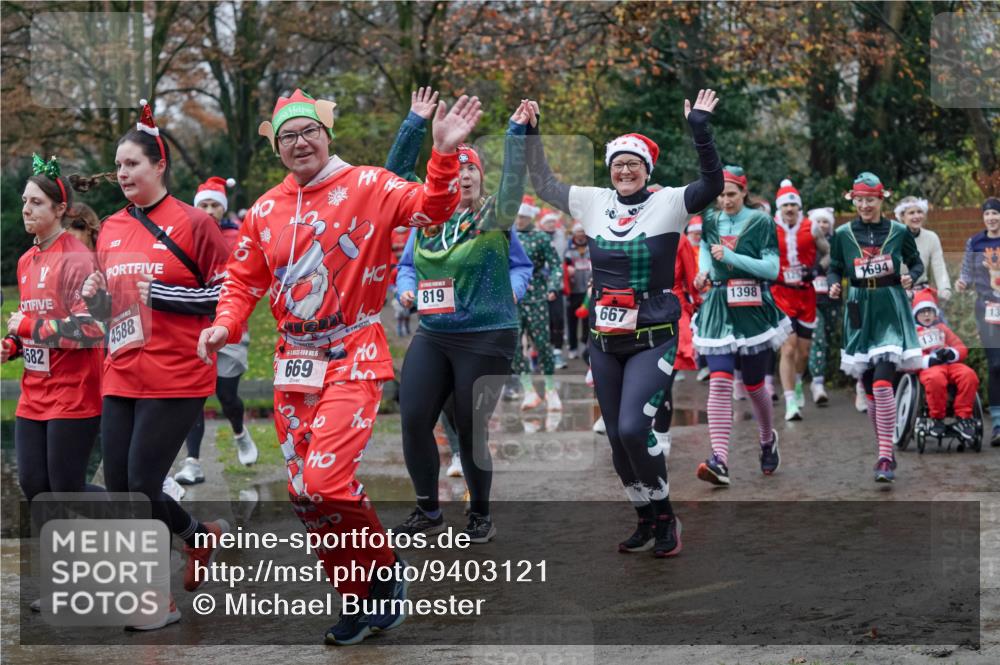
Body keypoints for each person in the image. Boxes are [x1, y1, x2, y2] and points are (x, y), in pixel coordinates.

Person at [198, 88, 481, 645]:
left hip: (353, 354)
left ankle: (384, 578)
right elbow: (241, 282)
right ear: (276, 147)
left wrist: (443, 154)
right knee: (305, 492)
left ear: (326, 135)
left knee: (327, 481)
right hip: (291, 366)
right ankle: (358, 598)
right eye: (287, 136)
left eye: (308, 132)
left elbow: (432, 207)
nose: (299, 143)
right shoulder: (263, 211)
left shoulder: (370, 185)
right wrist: (224, 326)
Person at [526, 89, 723, 557]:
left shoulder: (670, 203)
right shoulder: (594, 202)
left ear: (647, 170)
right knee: (616, 438)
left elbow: (712, 184)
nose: (625, 170)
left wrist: (699, 128)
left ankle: (667, 515)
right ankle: (645, 517)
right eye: (618, 163)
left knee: (635, 428)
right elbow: (544, 183)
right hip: (605, 338)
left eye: (634, 163)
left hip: (653, 335)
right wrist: (531, 133)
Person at [78, 101, 232, 629]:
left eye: (132, 164)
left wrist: (163, 293)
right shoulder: (111, 228)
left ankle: (157, 600)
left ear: (158, 165)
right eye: (118, 166)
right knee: (123, 486)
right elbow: (112, 306)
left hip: (177, 373)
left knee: (144, 481)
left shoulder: (193, 223)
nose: (122, 174)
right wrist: (97, 293)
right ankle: (198, 536)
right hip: (121, 369)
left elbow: (224, 296)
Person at [389, 89, 532, 542]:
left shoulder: (495, 214)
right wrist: (414, 124)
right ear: (446, 171)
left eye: (472, 167)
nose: (465, 174)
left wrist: (515, 132)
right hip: (435, 332)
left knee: (470, 431)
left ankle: (480, 516)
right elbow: (392, 177)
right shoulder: (426, 218)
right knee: (413, 416)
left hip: (487, 335)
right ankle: (428, 511)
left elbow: (514, 179)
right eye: (458, 166)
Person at [2, 155, 104, 506]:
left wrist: (27, 325)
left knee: (67, 490)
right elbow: (31, 321)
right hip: (34, 394)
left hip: (74, 393)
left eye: (36, 202)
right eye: (24, 202)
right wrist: (12, 345)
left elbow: (90, 329)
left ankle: (151, 522)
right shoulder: (25, 261)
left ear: (60, 208)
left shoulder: (77, 259)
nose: (26, 210)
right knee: (33, 485)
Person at [691, 165, 790, 486]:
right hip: (719, 306)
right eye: (720, 194)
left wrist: (733, 258)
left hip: (752, 308)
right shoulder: (709, 220)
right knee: (719, 381)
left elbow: (772, 268)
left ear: (744, 193)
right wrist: (703, 271)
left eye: (731, 194)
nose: (725, 200)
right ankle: (719, 459)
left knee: (754, 385)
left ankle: (766, 438)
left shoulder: (761, 221)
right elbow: (706, 250)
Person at [828, 172, 923, 483]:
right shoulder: (842, 234)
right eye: (859, 199)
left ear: (882, 199)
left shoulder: (898, 231)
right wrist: (833, 286)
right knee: (869, 387)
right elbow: (835, 268)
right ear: (853, 201)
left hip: (890, 306)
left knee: (883, 382)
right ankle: (885, 447)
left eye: (870, 199)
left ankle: (884, 455)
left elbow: (916, 261)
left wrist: (912, 275)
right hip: (858, 307)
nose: (864, 205)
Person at [174, 177, 258, 486]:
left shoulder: (238, 237)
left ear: (223, 208)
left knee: (226, 394)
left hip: (231, 325)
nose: (209, 210)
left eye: (214, 205)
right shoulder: (184, 238)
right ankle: (192, 462)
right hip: (195, 326)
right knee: (194, 396)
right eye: (203, 205)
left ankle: (239, 432)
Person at [769, 179, 829, 421]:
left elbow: (827, 252)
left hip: (806, 294)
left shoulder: (811, 227)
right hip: (781, 294)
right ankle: (790, 402)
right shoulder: (771, 227)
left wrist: (817, 270)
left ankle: (797, 383)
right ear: (780, 208)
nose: (790, 209)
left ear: (799, 207)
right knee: (788, 347)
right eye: (785, 206)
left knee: (803, 352)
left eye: (793, 205)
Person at [512, 195, 564, 411]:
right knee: (513, 346)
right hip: (512, 299)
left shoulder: (541, 238)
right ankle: (528, 391)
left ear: (530, 216)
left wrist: (553, 286)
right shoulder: (507, 236)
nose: (519, 220)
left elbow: (556, 266)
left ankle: (551, 390)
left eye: (523, 216)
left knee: (542, 344)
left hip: (537, 298)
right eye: (517, 216)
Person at [956, 197, 1000, 446]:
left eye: (995, 213)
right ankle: (997, 424)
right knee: (995, 365)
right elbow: (967, 274)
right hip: (987, 309)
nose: (991, 218)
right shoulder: (975, 242)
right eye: (987, 214)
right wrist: (962, 283)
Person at [911, 290, 979, 445]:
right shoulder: (912, 333)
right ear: (915, 315)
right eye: (922, 312)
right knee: (936, 379)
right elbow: (908, 358)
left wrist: (952, 353)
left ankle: (964, 417)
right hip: (930, 368)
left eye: (930, 311)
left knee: (969, 375)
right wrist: (928, 360)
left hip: (950, 364)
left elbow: (961, 347)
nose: (927, 315)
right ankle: (936, 418)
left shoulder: (943, 328)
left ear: (936, 314)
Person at [805, 207, 837, 405]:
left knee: (828, 336)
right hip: (810, 299)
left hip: (831, 299)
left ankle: (817, 376)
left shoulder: (836, 244)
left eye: (826, 222)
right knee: (818, 338)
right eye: (819, 221)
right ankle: (817, 383)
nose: (822, 225)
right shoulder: (806, 244)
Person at [896, 196, 951, 301]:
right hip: (899, 292)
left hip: (922, 292)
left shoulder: (931, 237)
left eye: (919, 212)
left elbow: (939, 265)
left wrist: (944, 288)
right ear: (902, 216)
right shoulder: (895, 237)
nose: (916, 216)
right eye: (911, 213)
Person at [538, 208, 568, 369]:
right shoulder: (536, 238)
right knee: (544, 321)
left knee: (558, 319)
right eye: (547, 222)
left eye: (552, 222)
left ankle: (557, 352)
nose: (551, 224)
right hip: (540, 286)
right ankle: (544, 354)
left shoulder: (560, 236)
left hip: (557, 285)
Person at [565, 222, 592, 360]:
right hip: (573, 290)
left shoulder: (591, 246)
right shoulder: (568, 249)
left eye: (582, 231)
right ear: (574, 233)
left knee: (588, 320)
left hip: (588, 290)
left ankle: (584, 345)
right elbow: (562, 265)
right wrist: (567, 270)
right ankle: (572, 347)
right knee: (572, 320)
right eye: (578, 231)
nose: (580, 234)